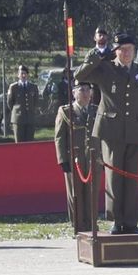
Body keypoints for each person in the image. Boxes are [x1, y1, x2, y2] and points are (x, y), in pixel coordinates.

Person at [74, 33, 138, 234]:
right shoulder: (105, 68)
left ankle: (131, 222)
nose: (126, 53)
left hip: (135, 129)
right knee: (114, 177)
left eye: (129, 49)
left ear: (135, 51)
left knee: (131, 178)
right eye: (121, 49)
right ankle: (116, 221)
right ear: (115, 51)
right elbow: (80, 75)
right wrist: (97, 56)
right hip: (111, 130)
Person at [54, 81, 100, 232]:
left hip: (93, 158)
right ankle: (78, 225)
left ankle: (92, 224)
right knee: (76, 193)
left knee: (91, 193)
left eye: (88, 90)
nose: (86, 93)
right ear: (74, 93)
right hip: (75, 158)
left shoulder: (96, 110)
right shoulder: (66, 111)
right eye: (81, 90)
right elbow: (59, 137)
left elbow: (103, 135)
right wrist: (62, 160)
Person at [6, 64, 40, 142]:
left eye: (25, 73)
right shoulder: (13, 87)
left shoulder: (33, 87)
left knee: (30, 142)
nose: (23, 75)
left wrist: (32, 110)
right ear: (18, 75)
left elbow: (36, 101)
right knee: (19, 142)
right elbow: (10, 102)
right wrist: (17, 111)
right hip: (18, 119)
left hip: (30, 118)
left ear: (27, 75)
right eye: (21, 73)